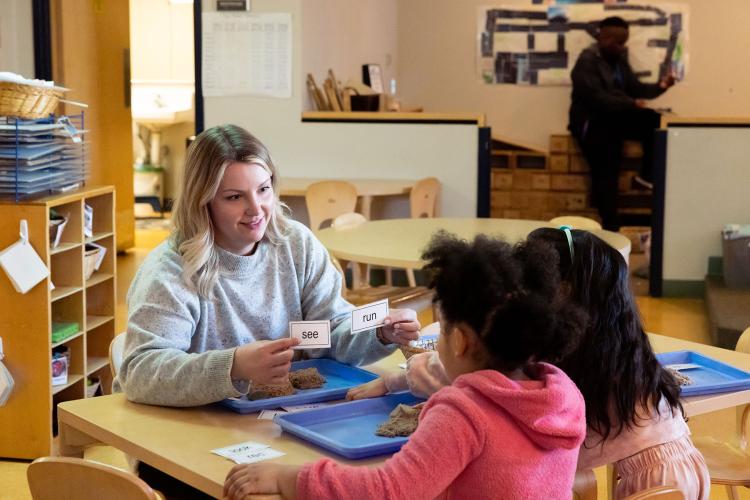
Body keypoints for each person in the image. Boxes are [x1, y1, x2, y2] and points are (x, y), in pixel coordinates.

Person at [349, 227, 709, 499]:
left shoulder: (564, 354)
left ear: (562, 290)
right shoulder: (613, 338)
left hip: (655, 483)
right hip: (678, 467)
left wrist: (403, 378)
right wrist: (396, 381)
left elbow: (485, 376)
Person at [223, 232, 588, 499]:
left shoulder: (463, 414)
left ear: (459, 341)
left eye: (441, 329)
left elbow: (387, 491)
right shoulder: (564, 395)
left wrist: (290, 478)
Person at [114, 124, 420, 407]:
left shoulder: (296, 243)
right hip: (193, 427)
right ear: (203, 202)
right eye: (234, 197)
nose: (256, 209)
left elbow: (328, 333)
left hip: (281, 416)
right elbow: (140, 374)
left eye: (263, 189)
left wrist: (379, 334)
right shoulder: (170, 271)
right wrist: (234, 366)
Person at [568, 16, 676, 230]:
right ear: (603, 37)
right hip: (591, 123)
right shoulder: (587, 61)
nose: (621, 46)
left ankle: (645, 177)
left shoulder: (618, 60)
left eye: (624, 42)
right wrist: (631, 103)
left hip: (613, 118)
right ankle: (610, 226)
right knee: (607, 169)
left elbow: (636, 88)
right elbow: (597, 98)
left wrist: (662, 86)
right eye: (618, 42)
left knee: (654, 121)